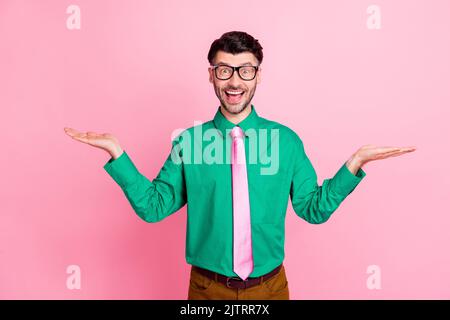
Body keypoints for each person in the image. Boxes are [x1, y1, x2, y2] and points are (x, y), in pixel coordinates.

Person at [64, 31, 416, 300]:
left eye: (245, 70)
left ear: (257, 76)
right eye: (224, 70)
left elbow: (313, 209)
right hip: (207, 289)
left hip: (270, 289)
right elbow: (155, 207)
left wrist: (355, 163)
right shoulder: (189, 143)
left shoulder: (286, 141)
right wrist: (116, 154)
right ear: (211, 75)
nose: (234, 81)